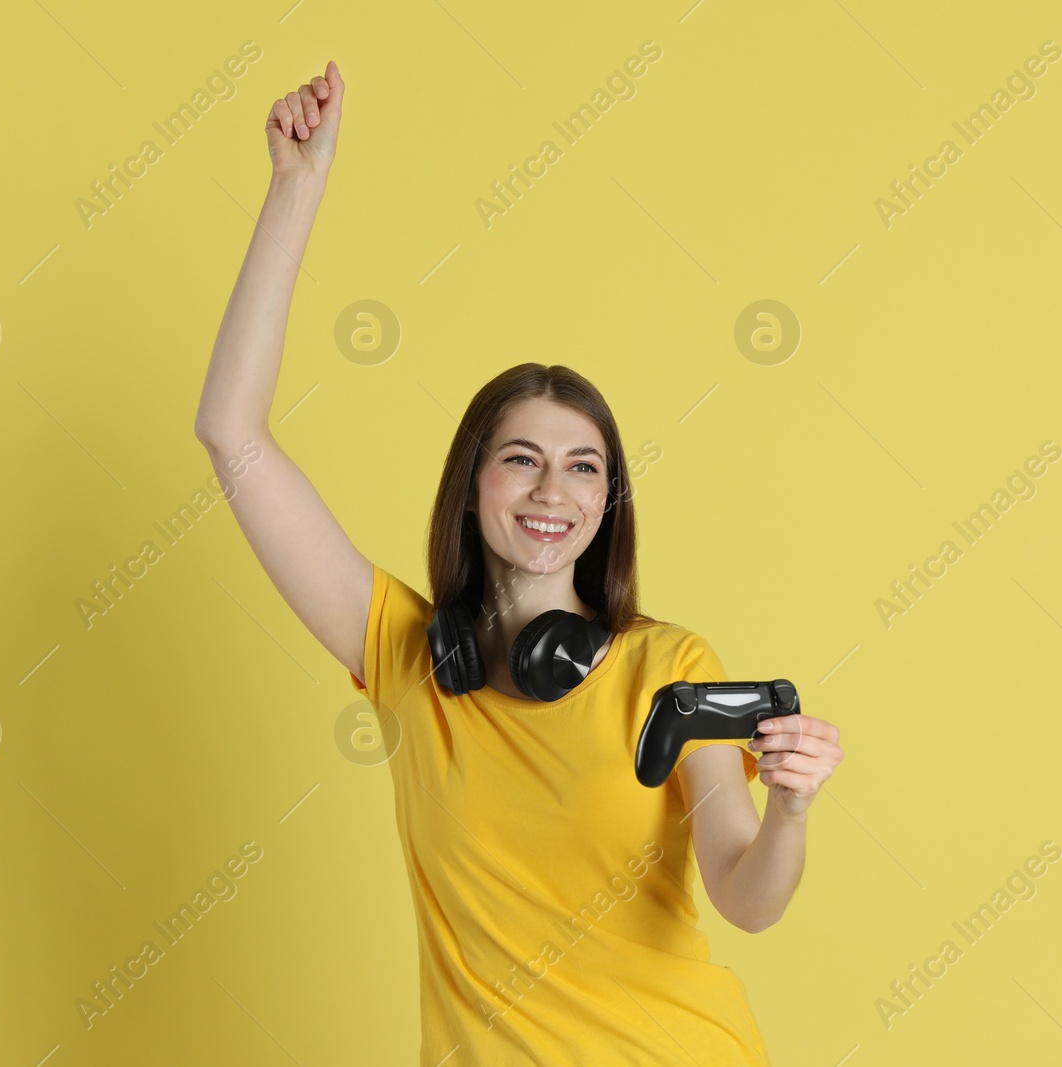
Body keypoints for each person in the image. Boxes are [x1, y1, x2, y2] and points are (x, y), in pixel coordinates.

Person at [193, 61, 844, 1066]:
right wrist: (295, 187)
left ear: (605, 501)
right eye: (522, 460)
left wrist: (790, 807)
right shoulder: (404, 654)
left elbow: (744, 895)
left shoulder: (669, 671)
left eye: (584, 467)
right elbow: (231, 433)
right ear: (471, 484)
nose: (554, 491)